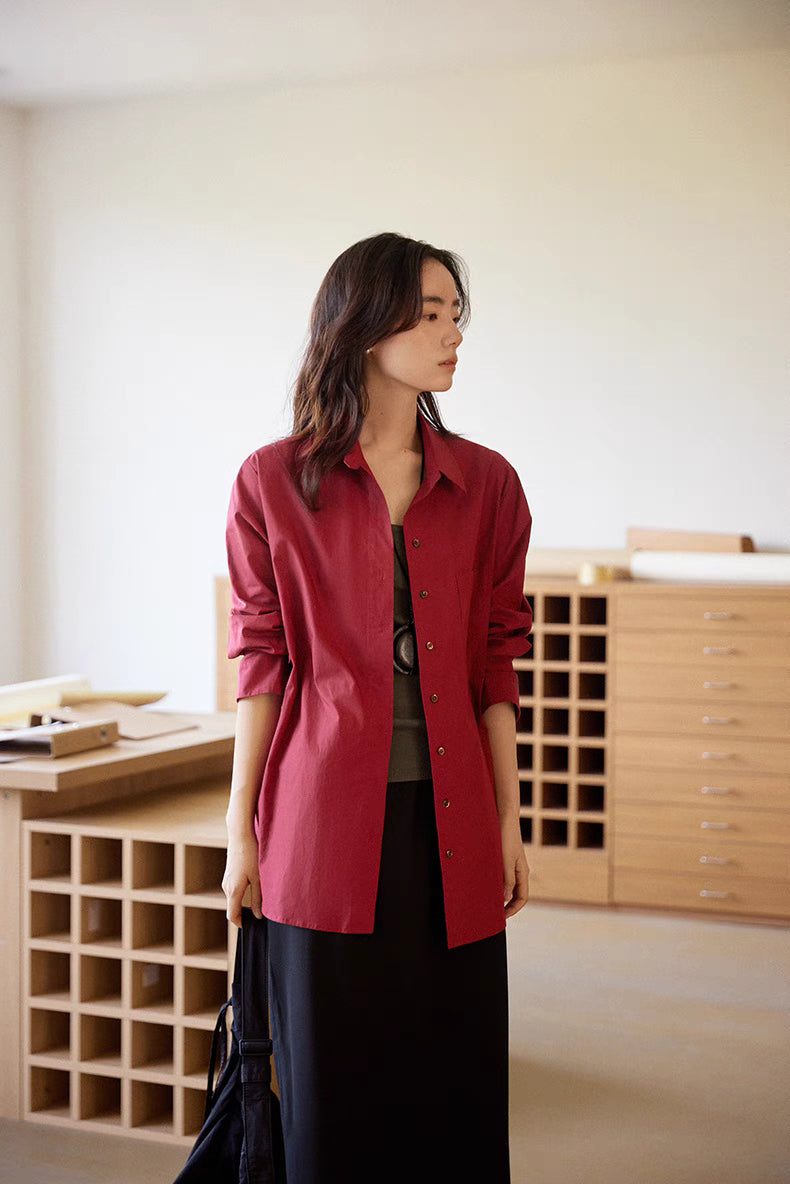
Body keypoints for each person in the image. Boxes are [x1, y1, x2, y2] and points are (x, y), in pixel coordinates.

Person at [222, 230, 533, 1184]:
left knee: (456, 1084)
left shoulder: (487, 484)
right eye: (430, 312)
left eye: (456, 314)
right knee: (331, 1093)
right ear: (363, 324)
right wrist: (243, 830)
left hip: (453, 827)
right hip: (318, 828)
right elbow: (260, 662)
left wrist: (509, 822)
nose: (452, 335)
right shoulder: (273, 480)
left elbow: (496, 664)